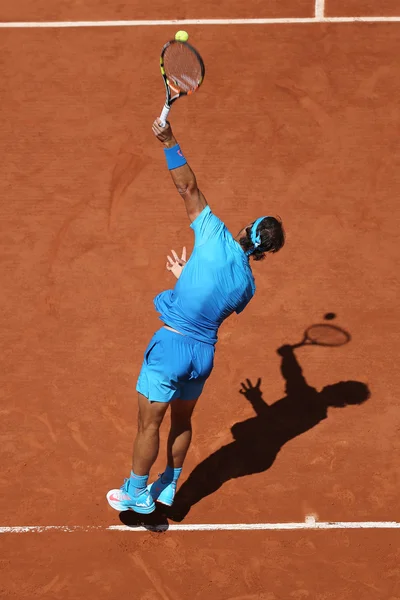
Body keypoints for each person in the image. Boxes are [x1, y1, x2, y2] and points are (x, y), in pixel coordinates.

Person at [106, 119, 285, 515]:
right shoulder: (248, 286)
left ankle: (137, 491)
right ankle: (168, 485)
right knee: (181, 422)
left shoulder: (214, 233)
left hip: (171, 346)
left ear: (244, 229)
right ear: (263, 253)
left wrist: (168, 139)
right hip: (202, 357)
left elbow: (187, 186)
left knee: (148, 425)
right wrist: (183, 277)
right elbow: (212, 301)